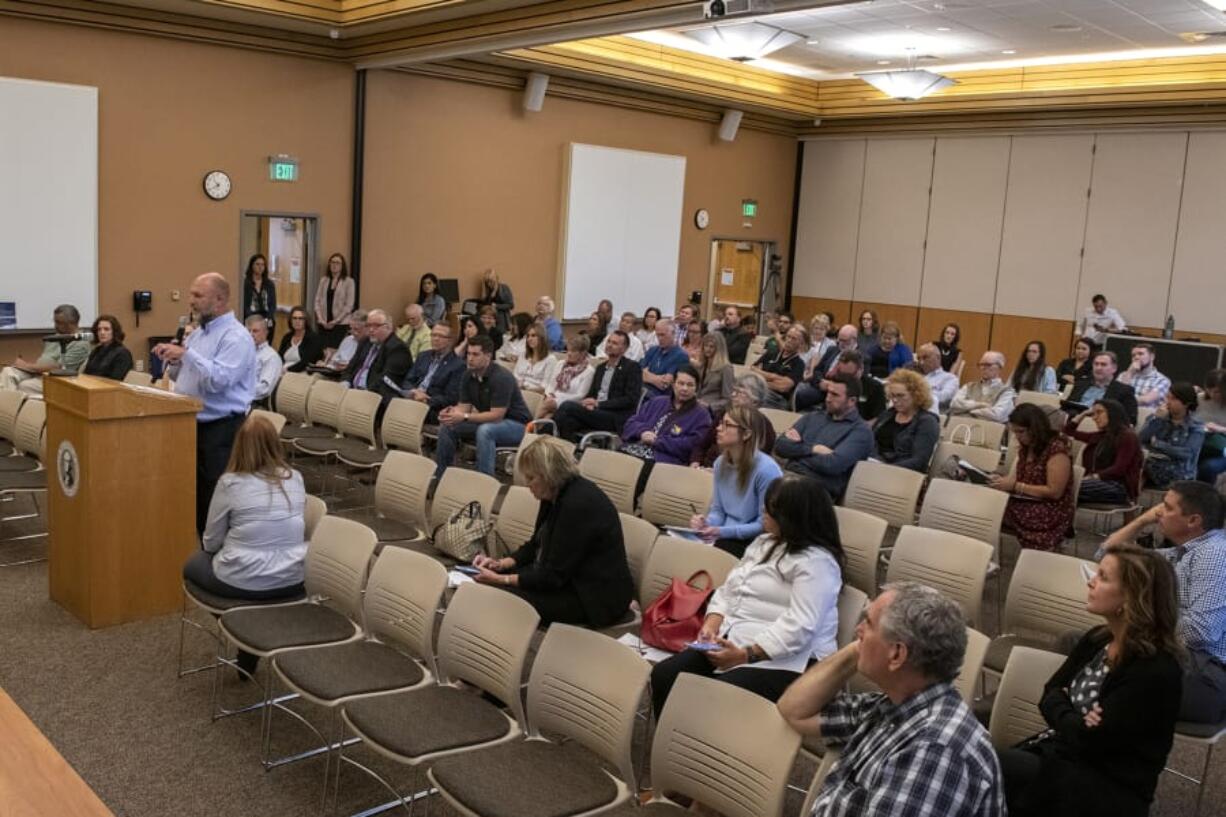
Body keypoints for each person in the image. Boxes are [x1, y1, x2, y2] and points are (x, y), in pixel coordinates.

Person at [777, 582, 1004, 817]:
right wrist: (863, 648)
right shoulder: (893, 706)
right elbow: (795, 710)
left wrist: (873, 648)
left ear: (897, 654)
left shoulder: (934, 751)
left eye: (868, 623)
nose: (858, 631)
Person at [996, 544, 1182, 817]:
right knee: (979, 763)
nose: (1091, 581)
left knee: (982, 765)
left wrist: (1066, 707)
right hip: (1063, 756)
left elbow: (1090, 741)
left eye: (1104, 577)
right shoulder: (1099, 638)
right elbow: (1049, 692)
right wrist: (1075, 716)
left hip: (1105, 787)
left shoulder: (1155, 670)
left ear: (1131, 597)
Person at [654, 474, 842, 716]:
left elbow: (800, 627)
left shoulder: (818, 563)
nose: (762, 510)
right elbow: (729, 590)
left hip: (789, 659)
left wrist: (745, 655)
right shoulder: (765, 542)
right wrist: (712, 625)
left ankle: (703, 749)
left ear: (792, 517)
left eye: (771, 508)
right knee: (665, 675)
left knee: (713, 699)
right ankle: (670, 745)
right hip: (736, 639)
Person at [183, 414, 307, 677]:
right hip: (293, 577)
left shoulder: (230, 483)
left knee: (193, 565)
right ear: (276, 443)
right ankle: (249, 635)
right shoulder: (295, 477)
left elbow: (211, 541)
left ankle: (244, 635)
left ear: (238, 445)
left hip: (243, 579)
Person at [471, 436, 632, 627]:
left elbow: (552, 576)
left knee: (503, 597)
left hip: (593, 597)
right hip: (568, 579)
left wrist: (502, 579)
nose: (526, 484)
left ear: (548, 474)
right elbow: (536, 544)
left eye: (531, 478)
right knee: (493, 585)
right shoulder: (553, 492)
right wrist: (501, 564)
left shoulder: (577, 505)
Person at [1102, 481, 1226, 724]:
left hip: (1207, 674)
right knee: (1091, 647)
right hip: (1178, 659)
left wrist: (1141, 614)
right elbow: (1109, 556)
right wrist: (1140, 521)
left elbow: (1199, 633)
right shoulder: (1183, 552)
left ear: (1193, 521)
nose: (1158, 512)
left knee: (1098, 664)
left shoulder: (1213, 555)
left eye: (1167, 508)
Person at [153, 273, 256, 534]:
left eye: (198, 296)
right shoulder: (199, 334)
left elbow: (219, 381)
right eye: (191, 294)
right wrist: (174, 360)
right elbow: (183, 377)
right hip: (192, 423)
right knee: (192, 493)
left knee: (213, 497)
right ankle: (195, 547)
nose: (191, 301)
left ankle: (214, 557)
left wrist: (187, 355)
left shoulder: (236, 337)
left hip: (220, 429)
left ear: (219, 300)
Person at [688, 406, 782, 557]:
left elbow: (763, 525)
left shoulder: (767, 470)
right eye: (720, 423)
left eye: (727, 424)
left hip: (751, 542)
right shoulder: (720, 463)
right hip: (724, 536)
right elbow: (719, 511)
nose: (718, 428)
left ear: (746, 434)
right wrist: (706, 523)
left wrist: (721, 531)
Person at [435, 334, 533, 477]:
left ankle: (484, 482)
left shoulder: (501, 377)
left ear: (488, 356)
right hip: (489, 422)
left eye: (475, 354)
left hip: (519, 425)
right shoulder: (468, 375)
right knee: (448, 425)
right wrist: (451, 413)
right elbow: (464, 407)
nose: (470, 358)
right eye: (468, 353)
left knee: (485, 430)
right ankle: (441, 476)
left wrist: (464, 416)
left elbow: (496, 416)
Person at [988, 403, 1075, 552]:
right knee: (987, 501)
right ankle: (984, 553)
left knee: (991, 509)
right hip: (1027, 499)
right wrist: (1002, 481)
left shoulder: (1057, 451)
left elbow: (1054, 492)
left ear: (1035, 429)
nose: (1017, 436)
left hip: (1050, 509)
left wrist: (1015, 486)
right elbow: (1021, 478)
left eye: (1021, 432)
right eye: (1015, 432)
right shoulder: (1027, 447)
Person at [774, 373, 874, 500]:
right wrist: (813, 449)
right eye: (828, 393)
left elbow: (832, 465)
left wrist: (796, 452)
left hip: (817, 491)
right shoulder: (813, 417)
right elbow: (780, 446)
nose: (828, 398)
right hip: (788, 477)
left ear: (852, 401)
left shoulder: (861, 432)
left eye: (835, 395)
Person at [553, 331, 642, 441]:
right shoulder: (600, 368)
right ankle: (571, 452)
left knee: (567, 406)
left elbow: (630, 399)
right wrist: (588, 402)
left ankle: (539, 434)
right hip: (596, 412)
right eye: (609, 341)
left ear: (624, 348)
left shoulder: (632, 368)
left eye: (614, 343)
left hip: (614, 416)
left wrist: (599, 404)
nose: (609, 345)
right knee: (567, 421)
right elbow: (592, 393)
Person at [620, 366, 711, 468]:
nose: (684, 388)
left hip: (662, 462)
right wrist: (642, 432)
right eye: (681, 383)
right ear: (673, 385)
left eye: (690, 385)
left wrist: (658, 441)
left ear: (696, 388)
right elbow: (631, 423)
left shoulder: (702, 415)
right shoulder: (657, 402)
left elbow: (693, 445)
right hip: (633, 449)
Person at [690, 373, 776, 469]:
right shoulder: (725, 413)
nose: (733, 395)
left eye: (740, 392)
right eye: (734, 390)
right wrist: (695, 461)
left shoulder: (764, 428)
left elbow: (754, 466)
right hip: (705, 467)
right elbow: (702, 444)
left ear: (755, 401)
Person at [1066, 399, 1143, 505]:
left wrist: (1093, 476)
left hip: (1118, 487)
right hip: (1096, 483)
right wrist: (1083, 414)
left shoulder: (1127, 436)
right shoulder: (1100, 436)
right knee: (1063, 487)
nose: (1094, 418)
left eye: (1099, 412)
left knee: (1067, 488)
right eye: (1093, 414)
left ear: (1112, 413)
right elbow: (1068, 431)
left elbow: (1119, 469)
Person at [0, 304, 90, 393]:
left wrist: (27, 366)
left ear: (71, 324)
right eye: (54, 321)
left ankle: (9, 405)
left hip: (56, 379)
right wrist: (26, 366)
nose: (55, 326)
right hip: (38, 372)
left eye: (59, 323)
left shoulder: (81, 343)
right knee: (8, 372)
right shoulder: (56, 337)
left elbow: (60, 368)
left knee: (24, 386)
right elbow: (44, 360)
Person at [1138, 382, 1205, 488]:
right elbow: (1140, 440)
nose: (1167, 402)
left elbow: (1186, 454)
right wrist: (1157, 420)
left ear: (1186, 403)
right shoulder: (1158, 418)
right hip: (1153, 465)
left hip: (1179, 473)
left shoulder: (1196, 426)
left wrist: (1158, 444)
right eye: (1167, 397)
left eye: (1173, 399)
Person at [874, 369, 940, 472]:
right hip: (874, 466)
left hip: (904, 474)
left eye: (900, 395)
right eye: (892, 396)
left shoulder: (927, 422)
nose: (895, 400)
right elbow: (870, 442)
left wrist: (886, 469)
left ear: (916, 395)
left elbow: (919, 461)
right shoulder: (887, 414)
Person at [342, 309, 410, 407]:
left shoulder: (397, 349)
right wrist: (346, 382)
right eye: (368, 325)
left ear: (388, 327)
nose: (371, 329)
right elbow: (350, 368)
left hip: (375, 399)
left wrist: (362, 393)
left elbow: (386, 381)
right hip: (353, 392)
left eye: (376, 326)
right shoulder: (365, 342)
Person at [796, 349, 886, 420]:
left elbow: (879, 417)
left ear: (860, 370)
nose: (845, 379)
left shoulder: (875, 388)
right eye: (842, 374)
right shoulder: (836, 381)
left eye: (850, 375)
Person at [403, 321, 464, 423]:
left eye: (440, 336)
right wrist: (413, 391)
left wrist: (427, 399)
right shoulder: (423, 356)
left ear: (450, 340)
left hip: (432, 407)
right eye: (433, 335)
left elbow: (451, 398)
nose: (435, 339)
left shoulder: (458, 365)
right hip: (412, 398)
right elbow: (407, 380)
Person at [795, 324, 858, 410]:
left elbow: (856, 382)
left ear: (854, 339)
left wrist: (832, 386)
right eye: (839, 340)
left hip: (840, 392)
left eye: (844, 341)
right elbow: (817, 370)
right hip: (821, 388)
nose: (841, 344)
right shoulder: (832, 349)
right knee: (798, 393)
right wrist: (820, 382)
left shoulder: (861, 357)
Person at [1069, 351, 1138, 426]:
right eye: (1096, 364)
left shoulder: (1124, 391)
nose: (1098, 368)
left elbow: (1130, 420)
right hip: (1073, 421)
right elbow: (1067, 406)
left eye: (1103, 365)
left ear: (1114, 368)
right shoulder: (1081, 384)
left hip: (1100, 427)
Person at [949, 351, 1016, 423]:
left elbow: (997, 415)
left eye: (988, 364)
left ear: (1000, 367)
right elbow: (953, 404)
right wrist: (979, 405)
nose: (983, 368)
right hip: (961, 427)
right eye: (981, 364)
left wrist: (966, 410)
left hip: (988, 431)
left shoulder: (1007, 391)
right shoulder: (968, 386)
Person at [538, 335, 593, 420]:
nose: (569, 354)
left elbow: (580, 395)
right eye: (568, 350)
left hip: (570, 403)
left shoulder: (589, 371)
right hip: (552, 398)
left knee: (547, 405)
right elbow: (551, 384)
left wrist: (556, 398)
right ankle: (535, 430)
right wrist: (549, 395)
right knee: (547, 417)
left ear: (583, 353)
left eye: (573, 351)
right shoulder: (561, 364)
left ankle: (525, 426)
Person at [753, 324, 807, 409]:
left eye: (794, 339)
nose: (789, 340)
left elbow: (783, 387)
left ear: (801, 344)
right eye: (788, 337)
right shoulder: (772, 353)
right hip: (759, 390)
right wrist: (774, 377)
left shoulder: (799, 364)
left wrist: (761, 379)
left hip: (778, 398)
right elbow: (753, 369)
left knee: (751, 398)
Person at [313, 252, 355, 350]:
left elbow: (349, 306)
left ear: (342, 266)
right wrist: (320, 319)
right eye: (332, 262)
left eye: (337, 263)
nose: (334, 265)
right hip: (323, 323)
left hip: (340, 324)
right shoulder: (324, 280)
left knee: (334, 350)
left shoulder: (349, 282)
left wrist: (335, 321)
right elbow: (317, 301)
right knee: (322, 350)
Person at [641, 318, 690, 398]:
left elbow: (664, 384)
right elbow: (638, 373)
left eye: (663, 335)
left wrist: (647, 375)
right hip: (643, 393)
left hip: (661, 398)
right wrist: (656, 378)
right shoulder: (652, 350)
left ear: (673, 333)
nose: (659, 338)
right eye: (657, 335)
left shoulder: (681, 356)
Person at [1117, 343, 1171, 410]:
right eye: (1133, 355)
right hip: (1124, 415)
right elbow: (1116, 396)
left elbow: (1146, 400)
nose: (1136, 357)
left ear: (1152, 357)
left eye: (1140, 354)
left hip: (1146, 417)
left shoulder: (1162, 380)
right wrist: (1129, 373)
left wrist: (1124, 399)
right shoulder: (1123, 375)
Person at [82, 314, 133, 381]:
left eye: (106, 329)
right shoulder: (96, 350)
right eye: (99, 329)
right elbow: (87, 373)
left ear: (114, 332)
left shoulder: (123, 353)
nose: (102, 332)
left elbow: (116, 380)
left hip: (110, 389)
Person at [693, 330, 734, 412]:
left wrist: (710, 406)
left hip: (712, 409)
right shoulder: (701, 365)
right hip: (696, 405)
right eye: (705, 346)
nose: (707, 349)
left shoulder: (726, 368)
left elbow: (728, 399)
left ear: (719, 349)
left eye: (711, 347)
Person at [1198, 369, 1226, 484]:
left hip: (1222, 449)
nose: (1212, 395)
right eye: (1209, 391)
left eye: (1217, 392)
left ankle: (1205, 499)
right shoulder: (1200, 398)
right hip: (1200, 442)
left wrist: (1221, 429)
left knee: (1208, 467)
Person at [246, 315, 282, 404]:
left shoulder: (271, 357)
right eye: (248, 331)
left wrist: (237, 391)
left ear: (266, 332)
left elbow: (264, 389)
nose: (251, 334)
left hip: (253, 403)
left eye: (255, 331)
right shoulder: (244, 351)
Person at [277, 306, 324, 373]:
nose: (297, 321)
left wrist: (287, 370)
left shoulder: (313, 338)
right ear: (291, 320)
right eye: (294, 318)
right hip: (283, 371)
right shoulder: (287, 337)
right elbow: (279, 358)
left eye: (301, 318)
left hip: (302, 373)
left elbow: (306, 362)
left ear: (306, 321)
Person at [916, 342, 959, 412]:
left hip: (932, 414)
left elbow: (944, 398)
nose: (921, 362)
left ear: (938, 357)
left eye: (925, 358)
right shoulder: (914, 376)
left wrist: (917, 394)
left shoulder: (950, 378)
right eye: (919, 359)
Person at [512, 324, 554, 393]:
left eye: (533, 335)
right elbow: (515, 376)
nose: (529, 339)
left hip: (536, 395)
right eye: (528, 336)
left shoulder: (550, 359)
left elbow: (545, 388)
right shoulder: (523, 355)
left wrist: (526, 390)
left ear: (542, 338)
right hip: (518, 391)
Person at [241, 253, 277, 331]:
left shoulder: (269, 284)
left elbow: (272, 305)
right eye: (257, 264)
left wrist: (268, 319)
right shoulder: (245, 284)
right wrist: (252, 319)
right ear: (252, 265)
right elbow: (244, 305)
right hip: (250, 319)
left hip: (267, 319)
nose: (260, 267)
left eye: (262, 265)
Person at [477, 268, 514, 333]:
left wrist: (497, 306)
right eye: (487, 282)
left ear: (495, 279)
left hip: (502, 319)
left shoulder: (504, 288)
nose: (489, 284)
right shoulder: (486, 291)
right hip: (490, 319)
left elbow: (511, 305)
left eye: (491, 281)